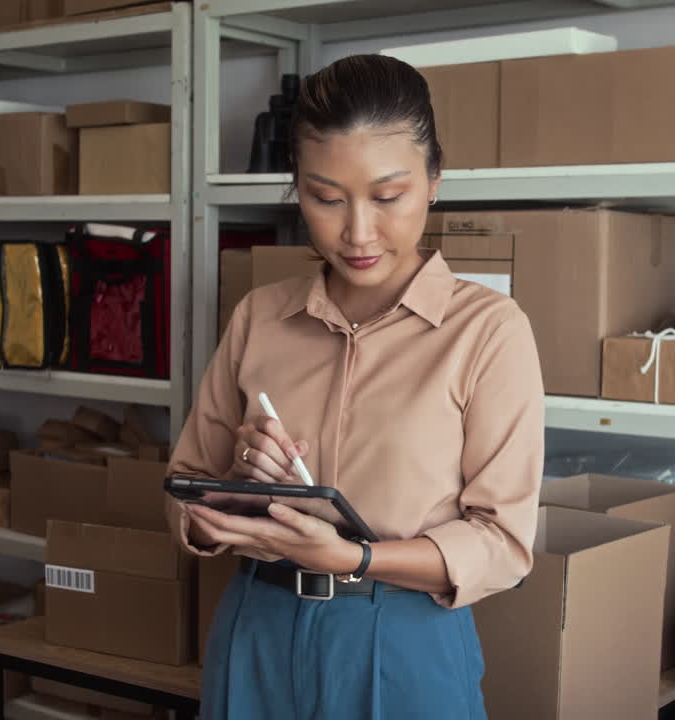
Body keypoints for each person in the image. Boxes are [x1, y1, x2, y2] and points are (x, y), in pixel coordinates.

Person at [166, 53, 544, 719]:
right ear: (298, 190)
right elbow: (184, 494)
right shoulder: (260, 316)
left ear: (434, 181)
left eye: (388, 196)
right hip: (258, 628)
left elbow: (504, 545)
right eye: (326, 198)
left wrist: (355, 556)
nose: (358, 232)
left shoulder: (488, 331)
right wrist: (237, 487)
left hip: (400, 639)